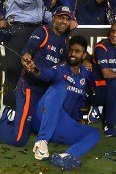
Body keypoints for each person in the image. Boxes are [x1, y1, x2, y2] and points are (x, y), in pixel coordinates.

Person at [0, 7, 73, 145]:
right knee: (19, 139)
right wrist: (26, 60)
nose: (64, 22)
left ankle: (9, 116)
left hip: (46, 92)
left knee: (51, 131)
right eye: (61, 18)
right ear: (54, 18)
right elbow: (27, 51)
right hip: (30, 88)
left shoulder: (65, 40)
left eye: (67, 19)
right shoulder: (43, 32)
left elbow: (65, 61)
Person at [31, 36, 101, 168]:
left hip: (61, 124)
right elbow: (47, 74)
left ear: (84, 55)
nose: (73, 54)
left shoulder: (85, 74)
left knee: (94, 133)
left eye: (77, 51)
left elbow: (81, 100)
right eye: (71, 50)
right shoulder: (60, 69)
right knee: (60, 87)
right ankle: (41, 142)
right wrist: (35, 70)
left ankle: (67, 156)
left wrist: (78, 118)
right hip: (42, 119)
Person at [2, 0, 55, 100]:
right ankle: (10, 107)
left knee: (33, 69)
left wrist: (57, 20)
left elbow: (40, 10)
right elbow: (23, 1)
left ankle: (28, 106)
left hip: (36, 30)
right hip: (18, 30)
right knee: (15, 69)